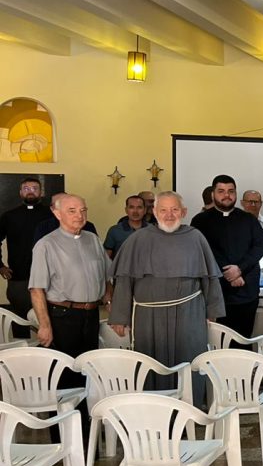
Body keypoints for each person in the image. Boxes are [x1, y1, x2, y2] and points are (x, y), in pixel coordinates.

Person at [109, 192, 224, 405]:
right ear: (154, 212)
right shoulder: (139, 239)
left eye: (174, 210)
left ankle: (191, 408)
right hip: (148, 316)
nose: (169, 215)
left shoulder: (195, 237)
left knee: (189, 358)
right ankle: (154, 407)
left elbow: (209, 278)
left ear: (183, 212)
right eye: (163, 210)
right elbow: (124, 280)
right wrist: (120, 316)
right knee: (151, 360)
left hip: (189, 313)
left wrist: (213, 310)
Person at [29, 194, 109, 437]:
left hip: (90, 316)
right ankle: (62, 438)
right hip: (62, 317)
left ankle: (85, 436)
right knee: (64, 378)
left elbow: (107, 276)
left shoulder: (92, 239)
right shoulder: (46, 245)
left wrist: (111, 303)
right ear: (57, 213)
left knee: (87, 375)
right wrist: (45, 325)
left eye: (83, 210)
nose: (79, 215)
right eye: (72, 210)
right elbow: (37, 289)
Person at [191, 175, 263, 338]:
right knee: (217, 341)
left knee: (244, 340)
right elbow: (204, 250)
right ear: (213, 194)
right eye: (221, 191)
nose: (227, 195)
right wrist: (228, 273)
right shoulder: (200, 221)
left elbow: (260, 245)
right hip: (216, 292)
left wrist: (240, 269)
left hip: (246, 290)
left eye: (231, 191)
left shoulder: (248, 219)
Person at [0, 176, 52, 323]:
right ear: (20, 192)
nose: (30, 191)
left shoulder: (52, 215)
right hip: (19, 275)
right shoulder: (9, 216)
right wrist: (0, 266)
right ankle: (22, 339)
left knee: (50, 317)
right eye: (26, 189)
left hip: (49, 275)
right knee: (19, 318)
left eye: (35, 188)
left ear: (41, 192)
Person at [104, 195, 147, 260]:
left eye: (139, 207)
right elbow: (106, 258)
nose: (135, 211)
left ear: (145, 210)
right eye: (131, 207)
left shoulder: (152, 230)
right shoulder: (114, 231)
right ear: (126, 210)